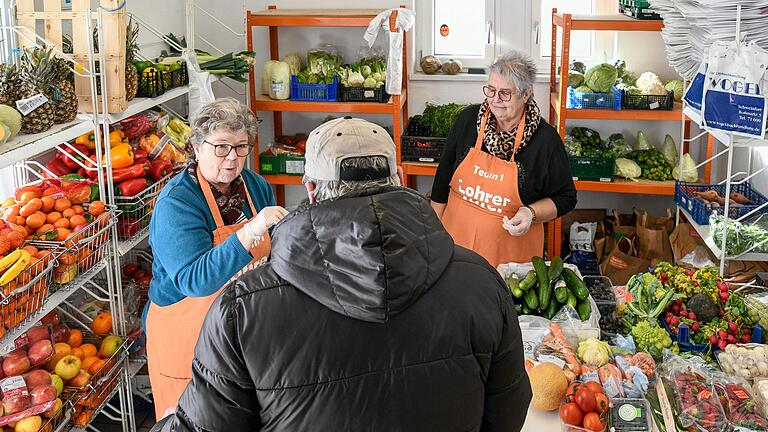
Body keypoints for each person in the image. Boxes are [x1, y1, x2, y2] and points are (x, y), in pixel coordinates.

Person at [152, 117, 532, 431]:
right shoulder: (482, 283)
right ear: (398, 176)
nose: (232, 158)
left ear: (311, 189)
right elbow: (508, 411)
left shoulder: (242, 312)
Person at [144, 98, 288, 420]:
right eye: (221, 147)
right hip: (185, 337)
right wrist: (248, 233)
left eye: (241, 147)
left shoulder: (255, 187)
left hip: (240, 330)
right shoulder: (177, 202)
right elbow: (195, 280)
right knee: (190, 421)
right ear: (197, 146)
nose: (232, 158)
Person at [431, 50, 577, 267]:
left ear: (526, 94)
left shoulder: (545, 141)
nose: (495, 100)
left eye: (505, 93)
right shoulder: (467, 121)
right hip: (456, 251)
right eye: (491, 90)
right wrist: (434, 238)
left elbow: (566, 197)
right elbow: (442, 182)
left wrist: (531, 212)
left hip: (510, 264)